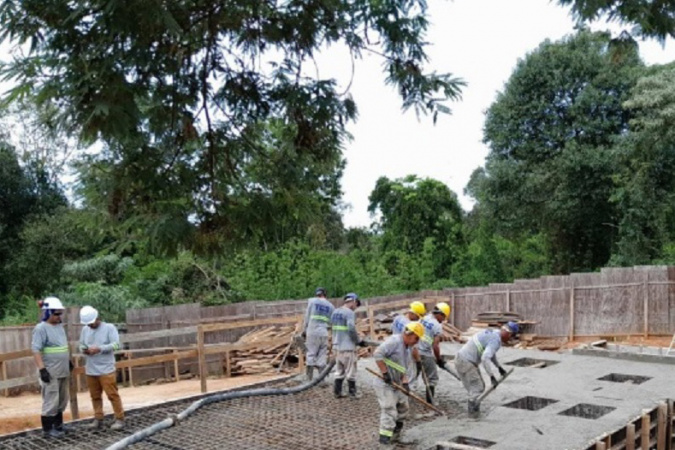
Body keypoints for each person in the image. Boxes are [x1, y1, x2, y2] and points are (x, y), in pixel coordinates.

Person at [373, 321, 424, 446]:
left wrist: (405, 382)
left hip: (398, 383)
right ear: (410, 334)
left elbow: (402, 368)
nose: (417, 341)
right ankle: (384, 441)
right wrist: (385, 373)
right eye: (416, 338)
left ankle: (396, 436)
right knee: (389, 409)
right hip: (384, 383)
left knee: (403, 407)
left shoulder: (409, 348)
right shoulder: (394, 342)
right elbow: (377, 354)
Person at [455, 321, 519, 417]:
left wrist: (499, 367)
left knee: (478, 388)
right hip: (466, 362)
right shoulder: (496, 340)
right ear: (508, 333)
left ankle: (473, 411)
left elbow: (490, 354)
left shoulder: (494, 333)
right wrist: (491, 376)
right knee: (477, 389)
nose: (510, 339)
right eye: (511, 336)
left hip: (463, 359)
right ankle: (473, 416)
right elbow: (485, 358)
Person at [79, 306, 125, 430]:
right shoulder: (85, 329)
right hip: (91, 369)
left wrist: (100, 348)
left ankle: (119, 418)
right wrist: (85, 350)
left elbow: (116, 345)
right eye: (87, 323)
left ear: (97, 318)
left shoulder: (109, 328)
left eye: (91, 322)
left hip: (106, 369)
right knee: (95, 396)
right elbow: (81, 344)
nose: (89, 325)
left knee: (112, 394)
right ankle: (98, 419)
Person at [31, 297, 70, 438]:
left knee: (62, 400)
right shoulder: (41, 329)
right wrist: (42, 370)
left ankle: (58, 426)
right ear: (48, 313)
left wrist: (68, 360)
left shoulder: (59, 326)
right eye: (56, 314)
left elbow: (62, 346)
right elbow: (36, 350)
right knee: (51, 400)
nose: (59, 316)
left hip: (63, 370)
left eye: (60, 313)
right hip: (51, 371)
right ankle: (47, 430)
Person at [330, 293, 367, 399]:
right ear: (354, 301)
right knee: (351, 371)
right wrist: (358, 341)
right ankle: (352, 393)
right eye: (356, 305)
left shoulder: (335, 312)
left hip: (337, 347)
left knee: (339, 371)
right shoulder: (349, 313)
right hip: (347, 347)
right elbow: (351, 328)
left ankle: (337, 392)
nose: (355, 308)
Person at [418, 302, 451, 404]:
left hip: (413, 351)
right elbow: (435, 346)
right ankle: (430, 402)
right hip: (425, 354)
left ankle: (404, 400)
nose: (443, 320)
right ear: (440, 314)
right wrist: (439, 359)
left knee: (411, 377)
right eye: (444, 317)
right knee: (432, 378)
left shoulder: (423, 318)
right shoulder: (437, 326)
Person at [301, 287, 335, 381]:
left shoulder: (312, 301)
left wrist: (304, 330)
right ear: (325, 294)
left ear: (317, 294)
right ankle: (322, 380)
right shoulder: (330, 306)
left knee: (311, 354)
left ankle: (309, 379)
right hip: (324, 332)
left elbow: (307, 317)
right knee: (322, 355)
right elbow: (332, 322)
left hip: (312, 331)